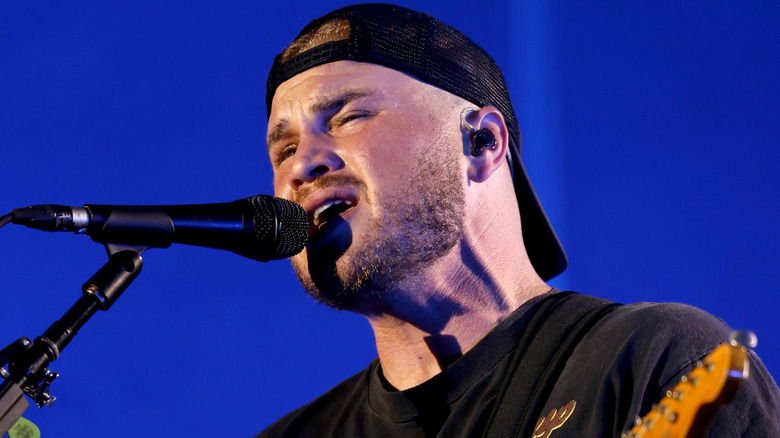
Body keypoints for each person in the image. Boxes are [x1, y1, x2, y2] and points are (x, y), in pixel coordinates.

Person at [258, 3, 780, 437]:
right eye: (283, 149)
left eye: (348, 117)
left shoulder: (652, 361)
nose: (303, 164)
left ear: (482, 142)